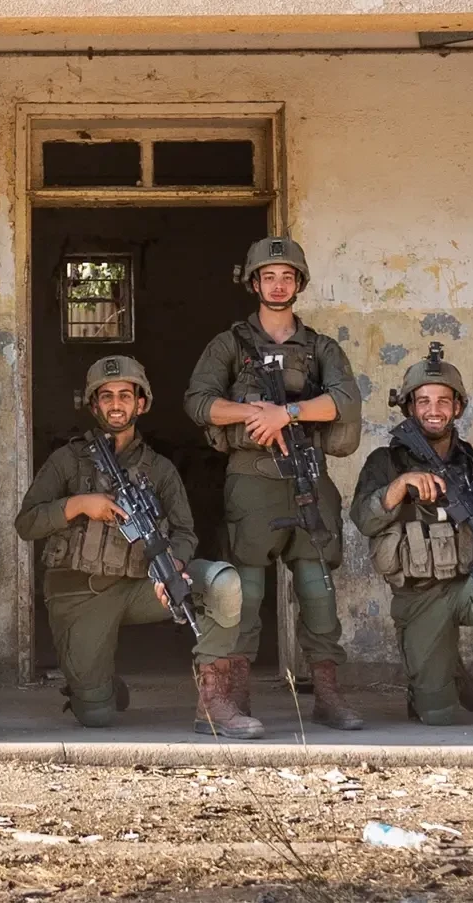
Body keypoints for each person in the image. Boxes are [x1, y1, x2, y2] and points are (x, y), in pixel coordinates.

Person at [15, 355, 262, 739]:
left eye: (125, 396)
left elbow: (185, 531)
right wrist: (79, 505)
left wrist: (174, 566)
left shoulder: (159, 469)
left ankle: (214, 702)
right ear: (94, 405)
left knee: (222, 583)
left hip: (142, 587)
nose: (116, 405)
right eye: (107, 396)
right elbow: (26, 523)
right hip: (81, 595)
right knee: (96, 715)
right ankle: (99, 684)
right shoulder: (67, 461)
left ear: (141, 403)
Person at [184, 237, 364, 730]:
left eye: (287, 276)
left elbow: (346, 399)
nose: (278, 285)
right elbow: (199, 402)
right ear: (254, 283)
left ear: (299, 283)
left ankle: (328, 695)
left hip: (309, 475)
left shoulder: (321, 348)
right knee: (246, 591)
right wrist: (254, 413)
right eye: (269, 277)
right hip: (252, 477)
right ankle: (235, 697)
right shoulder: (229, 345)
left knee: (318, 590)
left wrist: (287, 413)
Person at [350, 344, 473, 741]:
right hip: (419, 596)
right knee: (436, 716)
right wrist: (399, 486)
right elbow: (364, 520)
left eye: (443, 401)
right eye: (423, 401)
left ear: (457, 407)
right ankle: (446, 671)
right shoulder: (383, 464)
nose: (433, 410)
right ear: (409, 407)